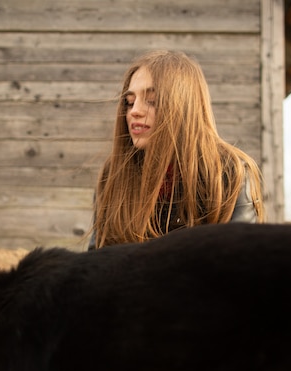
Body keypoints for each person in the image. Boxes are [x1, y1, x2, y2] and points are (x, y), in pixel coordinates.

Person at [89, 50, 265, 250]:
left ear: (183, 106)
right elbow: (95, 262)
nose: (135, 111)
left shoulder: (230, 172)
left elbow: (243, 262)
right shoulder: (114, 173)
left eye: (152, 100)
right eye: (129, 102)